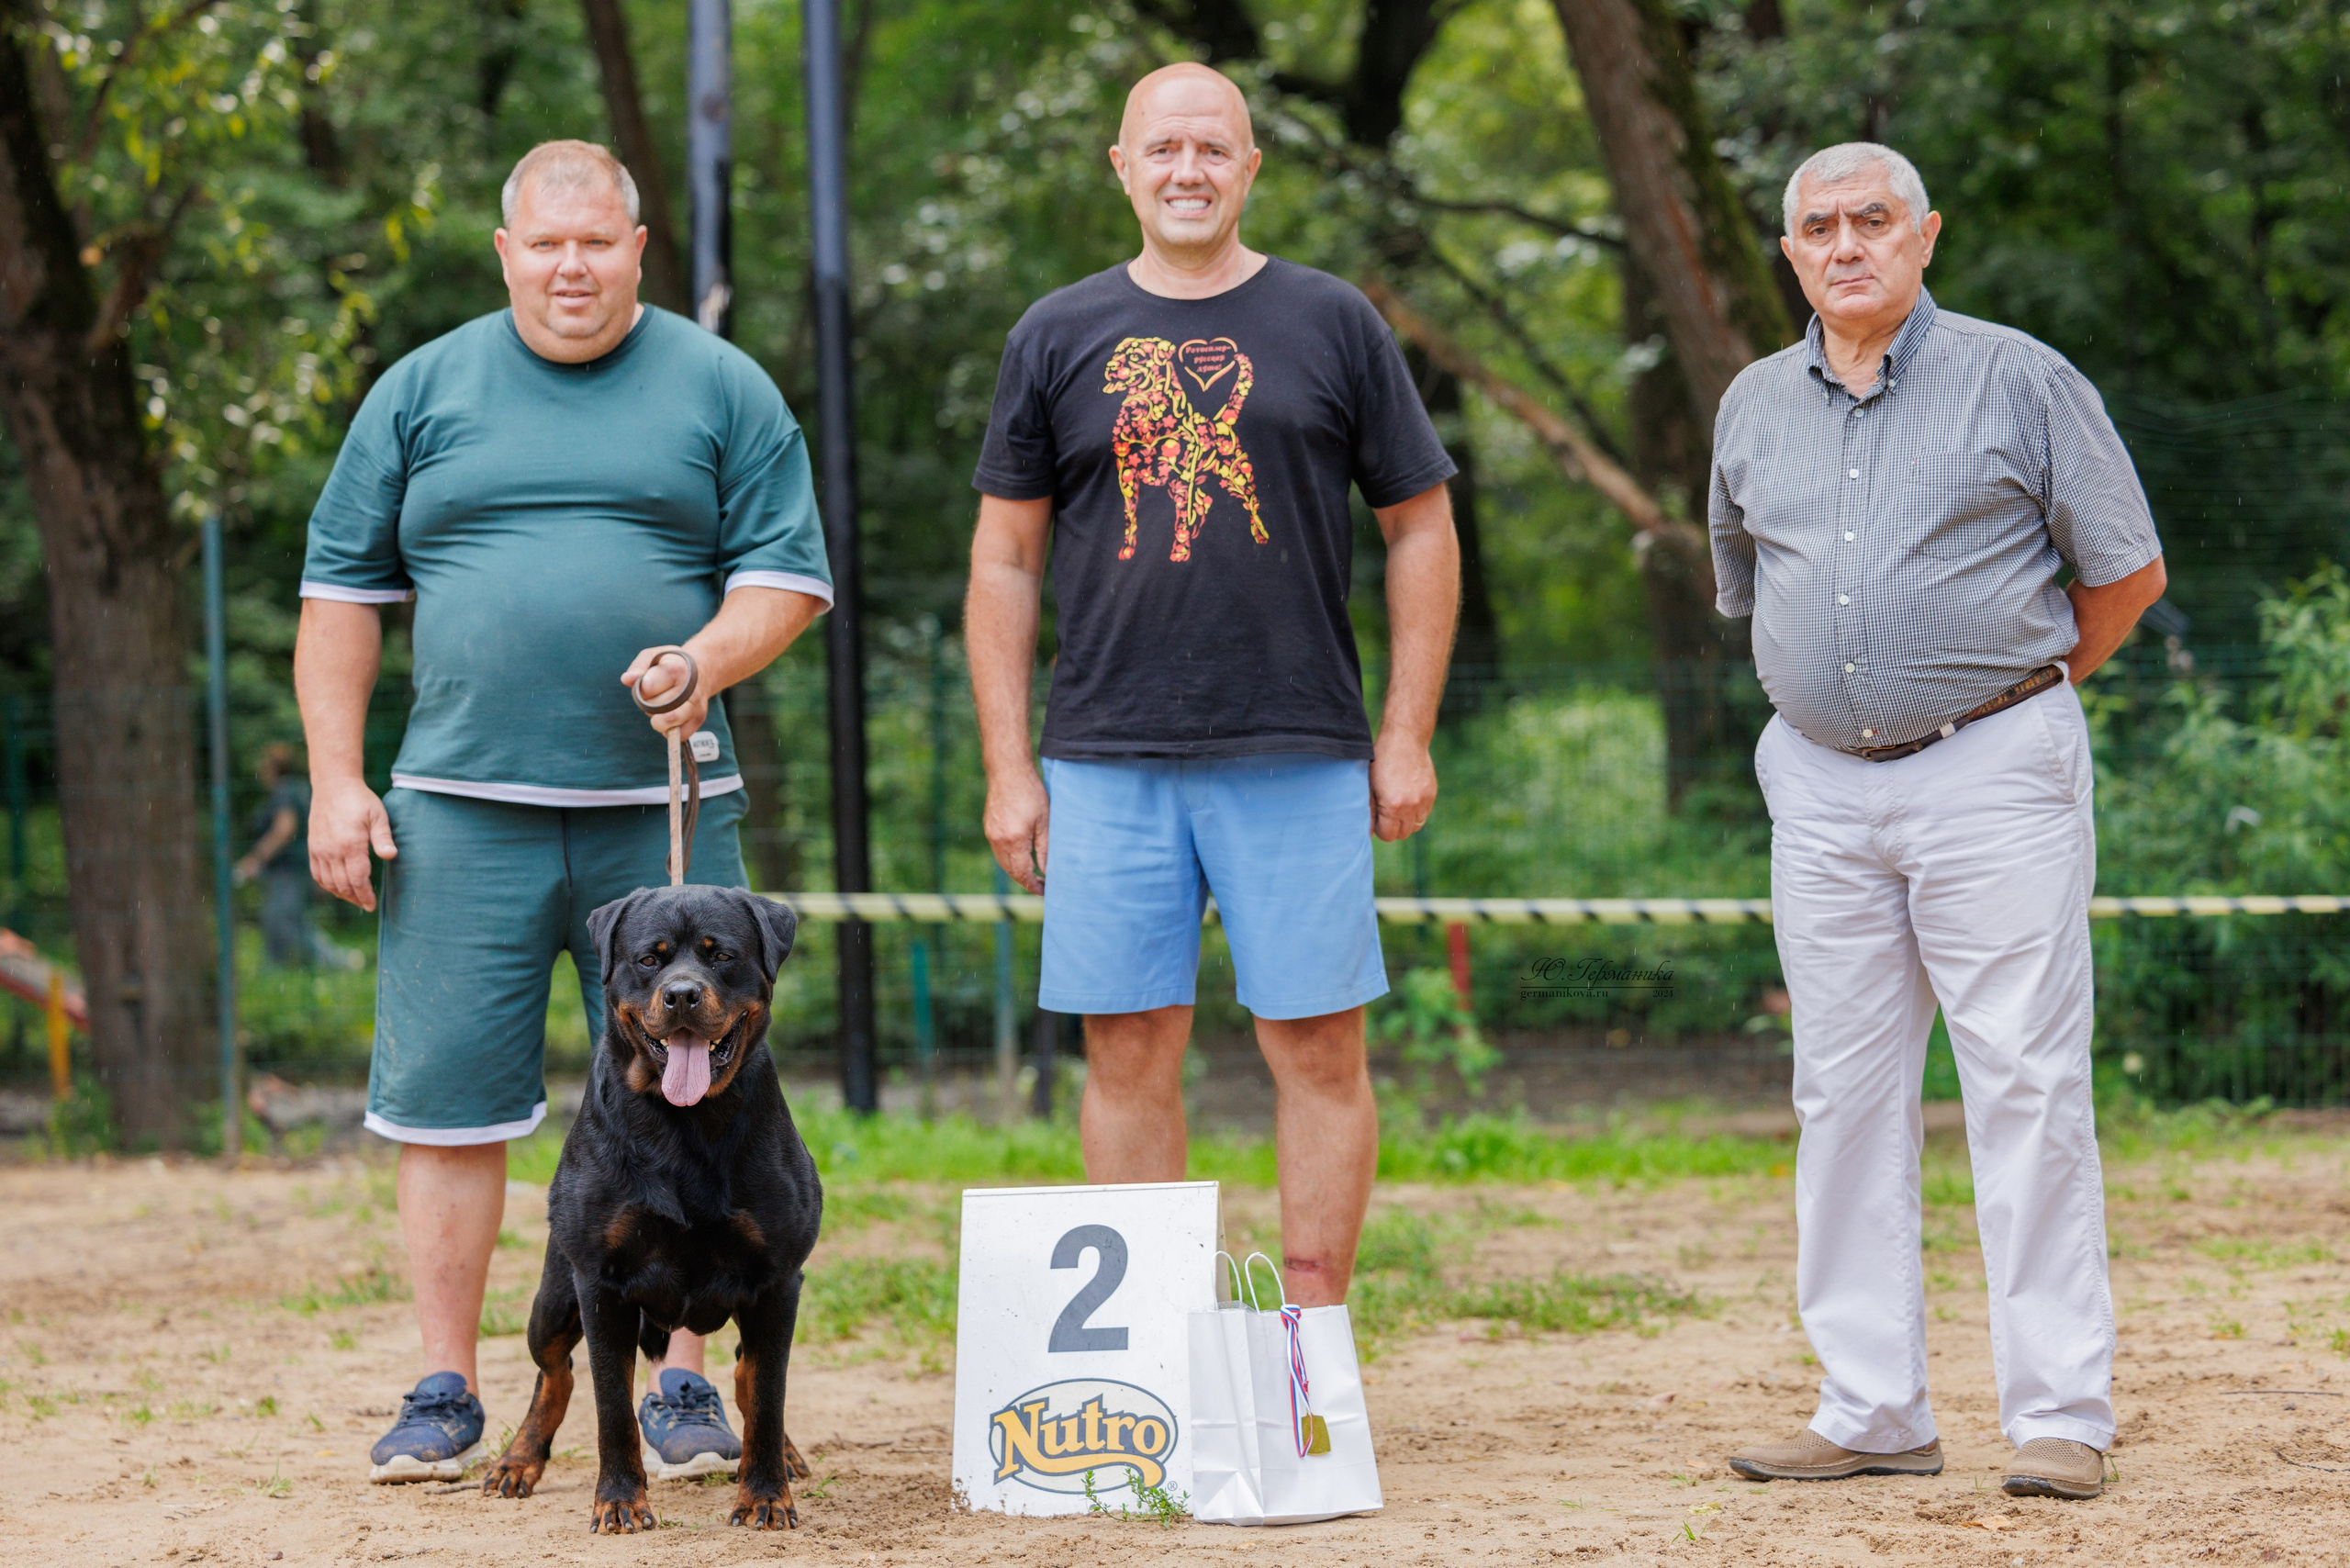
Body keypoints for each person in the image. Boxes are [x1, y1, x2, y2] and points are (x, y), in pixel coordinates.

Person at [294, 140, 832, 1484]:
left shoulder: (722, 386)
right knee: (447, 1103)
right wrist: (339, 778)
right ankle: (441, 1384)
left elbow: (789, 579)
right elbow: (339, 596)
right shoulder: (422, 388)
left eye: (598, 243)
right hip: (457, 809)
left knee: (705, 1091)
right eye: (546, 244)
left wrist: (705, 659)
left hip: (663, 812)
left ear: (638, 249)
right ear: (507, 249)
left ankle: (688, 1394)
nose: (572, 266)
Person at [1710, 142, 2165, 1501]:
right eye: (1816, 226)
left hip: (1992, 765)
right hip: (1819, 782)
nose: (1844, 243)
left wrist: (2008, 699)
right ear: (1789, 251)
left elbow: (2127, 577)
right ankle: (1871, 1407)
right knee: (1840, 1095)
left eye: (1872, 219)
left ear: (1924, 237)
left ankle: (2060, 1414)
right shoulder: (1749, 405)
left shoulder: (2020, 378)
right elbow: (1749, 591)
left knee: (2023, 1078)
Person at [965, 64, 1460, 1307]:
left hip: (1298, 748)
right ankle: (1155, 1346)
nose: (1188, 169)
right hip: (1105, 755)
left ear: (1249, 170)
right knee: (1128, 1051)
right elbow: (1005, 556)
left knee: (1318, 1048)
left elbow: (1422, 528)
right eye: (1164, 148)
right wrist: (1008, 764)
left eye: (1214, 148)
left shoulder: (1332, 321)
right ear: (1121, 167)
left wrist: (1406, 734)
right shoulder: (1057, 333)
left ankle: (1312, 1338)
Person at [235, 743, 324, 968]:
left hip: (288, 869)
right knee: (284, 919)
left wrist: (256, 858)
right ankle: (275, 969)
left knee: (283, 920)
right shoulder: (298, 789)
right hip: (297, 866)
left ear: (273, 768)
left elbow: (284, 829)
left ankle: (332, 963)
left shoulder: (285, 791)